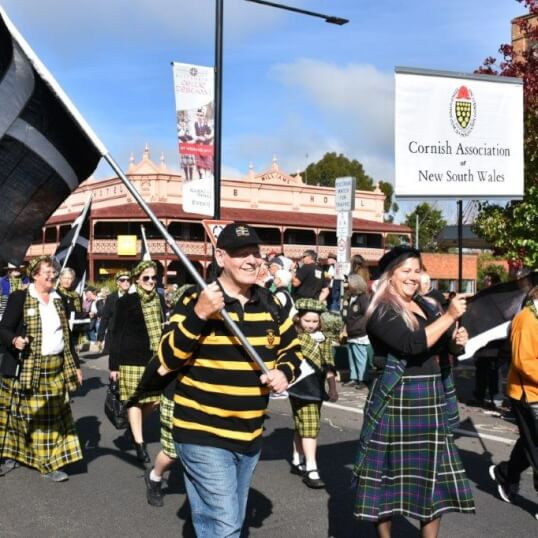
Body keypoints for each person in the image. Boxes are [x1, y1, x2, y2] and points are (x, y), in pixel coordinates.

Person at [156, 222, 303, 537]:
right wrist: (199, 314)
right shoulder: (194, 299)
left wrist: (284, 372)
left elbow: (294, 349)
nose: (251, 260)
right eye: (241, 254)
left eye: (255, 253)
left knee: (227, 519)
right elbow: (166, 359)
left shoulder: (272, 304)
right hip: (201, 432)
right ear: (221, 257)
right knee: (224, 525)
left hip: (249, 434)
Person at [353, 245, 475, 537]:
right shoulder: (379, 307)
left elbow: (442, 346)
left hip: (430, 396)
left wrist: (456, 341)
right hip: (397, 398)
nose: (413, 276)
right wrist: (448, 317)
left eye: (417, 270)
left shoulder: (428, 305)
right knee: (385, 478)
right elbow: (410, 344)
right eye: (406, 270)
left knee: (433, 478)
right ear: (390, 276)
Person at [0, 255, 83, 482]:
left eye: (54, 271)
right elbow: (3, 328)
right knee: (20, 416)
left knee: (50, 418)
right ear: (35, 274)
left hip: (55, 367)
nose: (52, 275)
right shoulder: (20, 297)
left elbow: (66, 337)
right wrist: (14, 340)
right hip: (25, 366)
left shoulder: (59, 299)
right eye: (47, 271)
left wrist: (75, 365)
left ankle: (48, 464)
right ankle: (14, 452)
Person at [109, 260, 167, 463]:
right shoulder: (126, 301)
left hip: (154, 357)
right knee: (134, 400)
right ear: (137, 279)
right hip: (131, 358)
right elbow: (116, 334)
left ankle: (133, 423)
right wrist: (113, 365)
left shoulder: (159, 299)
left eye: (154, 277)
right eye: (146, 278)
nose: (151, 281)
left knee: (156, 399)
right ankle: (139, 443)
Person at [489, 285, 538, 504]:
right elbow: (524, 363)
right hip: (528, 395)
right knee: (534, 446)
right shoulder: (527, 320)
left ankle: (506, 473)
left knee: (530, 442)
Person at [289, 298, 337, 489]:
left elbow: (329, 365)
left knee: (303, 422)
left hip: (316, 387)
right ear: (298, 319)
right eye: (307, 321)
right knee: (310, 424)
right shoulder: (293, 337)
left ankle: (296, 458)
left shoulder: (324, 339)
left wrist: (332, 388)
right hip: (298, 386)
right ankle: (311, 468)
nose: (311, 325)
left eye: (315, 321)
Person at [467, 271, 503, 409]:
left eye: (487, 280)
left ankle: (495, 397)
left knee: (494, 370)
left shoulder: (497, 298)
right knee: (482, 369)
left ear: (493, 282)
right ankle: (482, 396)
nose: (485, 282)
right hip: (483, 341)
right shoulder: (487, 298)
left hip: (494, 341)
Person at [340, 274, 371, 390]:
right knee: (352, 357)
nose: (345, 284)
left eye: (347, 282)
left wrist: (361, 327)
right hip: (351, 331)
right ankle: (354, 377)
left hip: (359, 332)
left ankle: (363, 379)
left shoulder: (363, 298)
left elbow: (367, 314)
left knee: (360, 357)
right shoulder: (350, 297)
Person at [96, 270, 131, 353]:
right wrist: (100, 338)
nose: (126, 282)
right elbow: (105, 318)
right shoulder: (111, 298)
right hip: (113, 337)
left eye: (128, 280)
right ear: (118, 282)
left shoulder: (135, 296)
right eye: (122, 280)